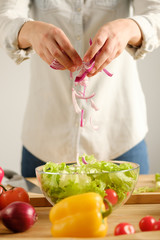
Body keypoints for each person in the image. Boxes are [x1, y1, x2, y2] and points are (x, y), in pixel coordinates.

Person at [0, 0, 160, 177]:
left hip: (119, 138)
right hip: (45, 142)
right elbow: (5, 15)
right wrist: (29, 30)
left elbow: (156, 12)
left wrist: (130, 27)